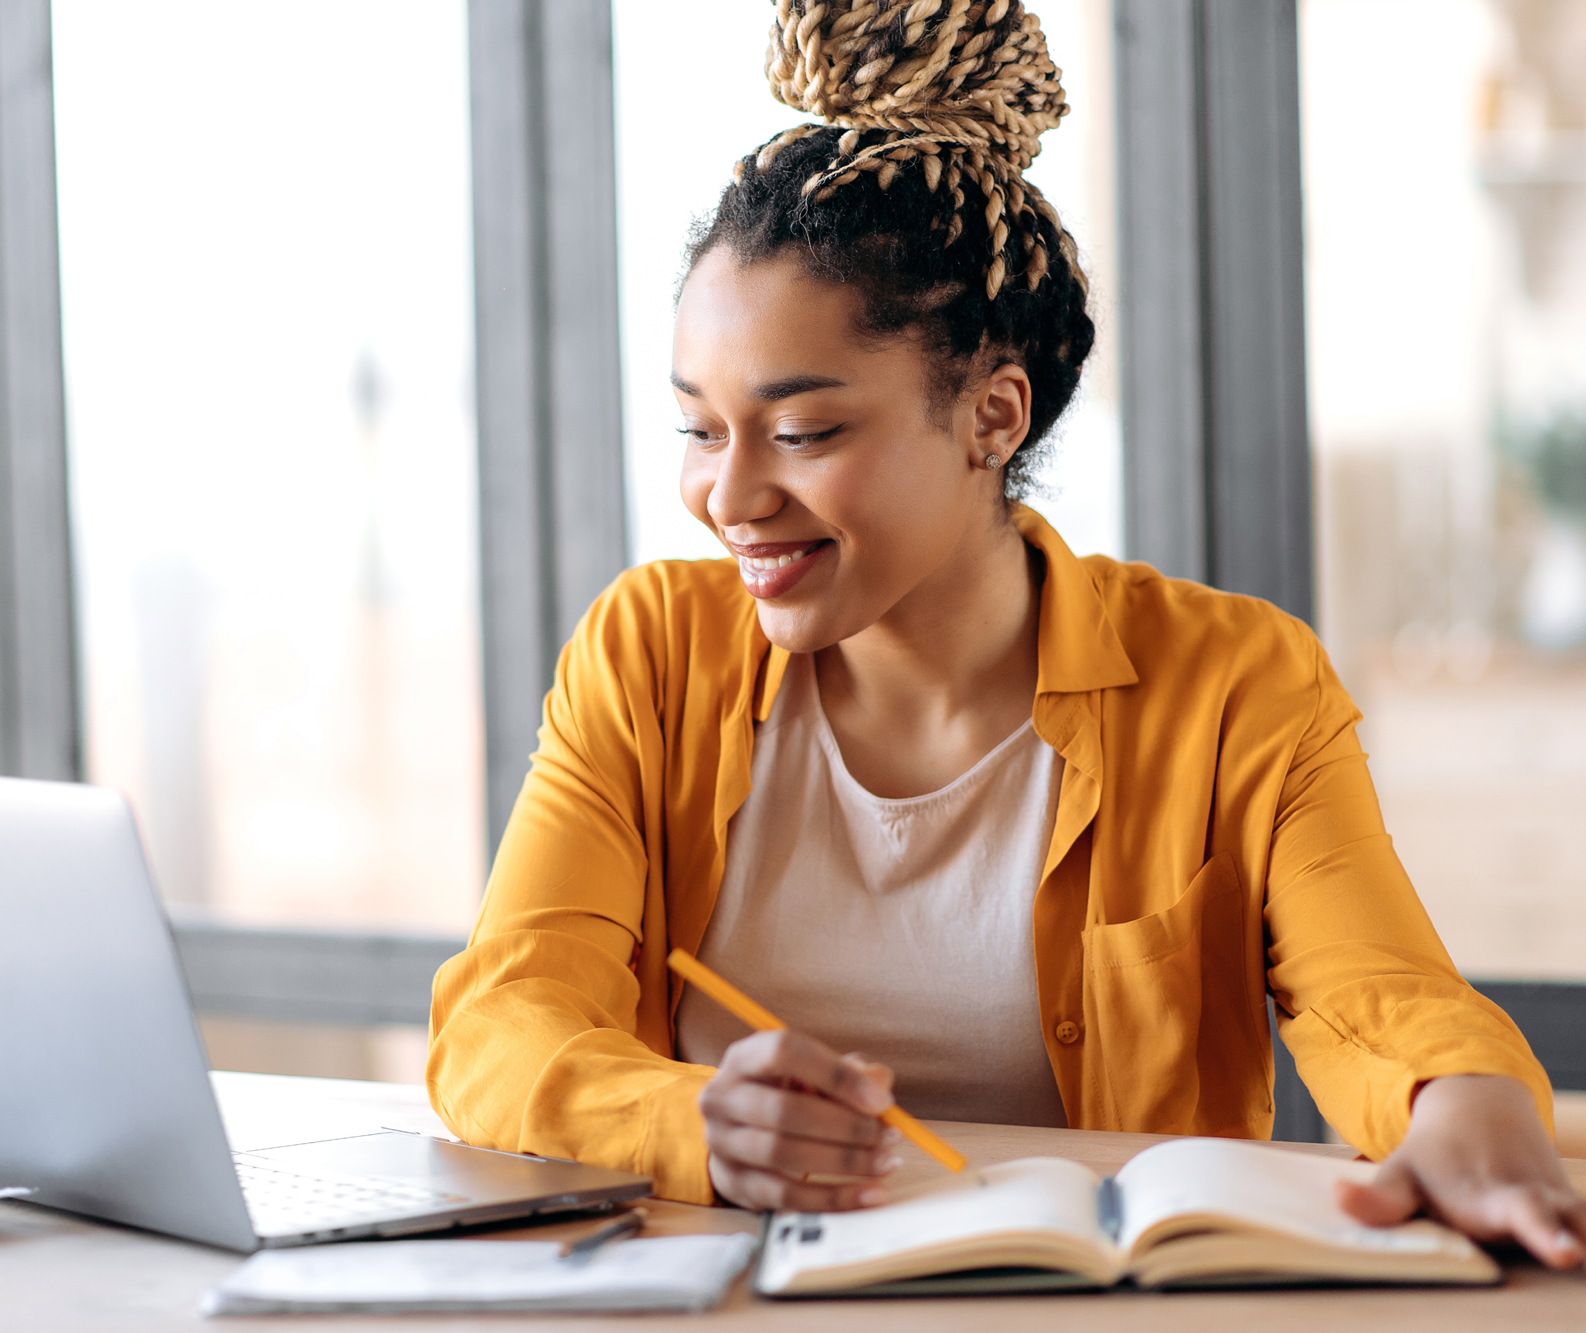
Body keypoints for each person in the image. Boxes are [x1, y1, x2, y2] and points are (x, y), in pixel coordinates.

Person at [428, 0, 1584, 1266]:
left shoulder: (1235, 682)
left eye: (802, 432)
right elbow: (505, 1018)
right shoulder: (644, 655)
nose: (730, 494)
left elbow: (1381, 993)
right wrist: (687, 1120)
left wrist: (1462, 1097)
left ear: (990, 414)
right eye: (700, 429)